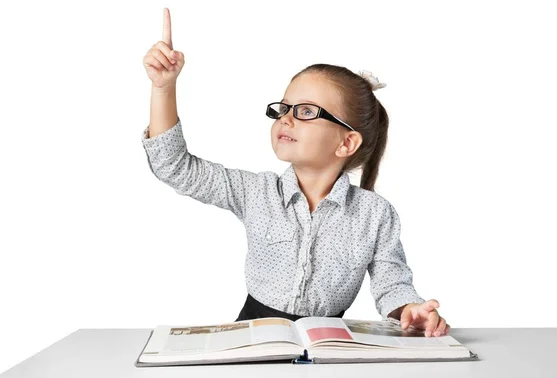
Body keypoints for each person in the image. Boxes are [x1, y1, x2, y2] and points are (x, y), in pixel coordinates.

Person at [141, 8, 450, 338]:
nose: (285, 119)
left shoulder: (376, 215)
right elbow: (175, 166)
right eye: (283, 108)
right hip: (253, 336)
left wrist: (411, 309)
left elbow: (393, 285)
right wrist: (164, 88)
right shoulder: (255, 192)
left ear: (347, 142)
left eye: (305, 111)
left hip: (328, 343)